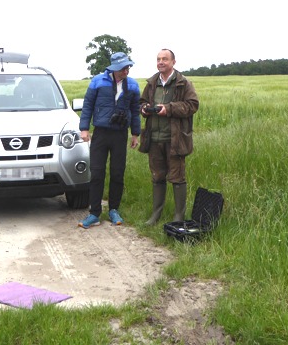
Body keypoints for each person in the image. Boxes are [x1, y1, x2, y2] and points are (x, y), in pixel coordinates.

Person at [78, 52, 142, 228]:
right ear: (113, 68)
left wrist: (135, 133)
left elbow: (135, 111)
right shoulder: (98, 81)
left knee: (117, 173)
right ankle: (94, 213)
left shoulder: (133, 85)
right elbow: (88, 105)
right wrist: (84, 129)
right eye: (122, 68)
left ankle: (114, 209)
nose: (126, 71)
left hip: (120, 135)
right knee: (97, 173)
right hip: (100, 134)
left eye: (127, 67)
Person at [138, 48, 200, 225]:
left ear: (173, 62)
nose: (161, 62)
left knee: (177, 177)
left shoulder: (183, 83)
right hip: (154, 139)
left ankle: (178, 217)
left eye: (165, 59)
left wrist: (169, 109)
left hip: (175, 139)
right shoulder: (151, 83)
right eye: (158, 59)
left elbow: (192, 105)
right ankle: (156, 215)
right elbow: (141, 102)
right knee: (157, 176)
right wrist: (143, 109)